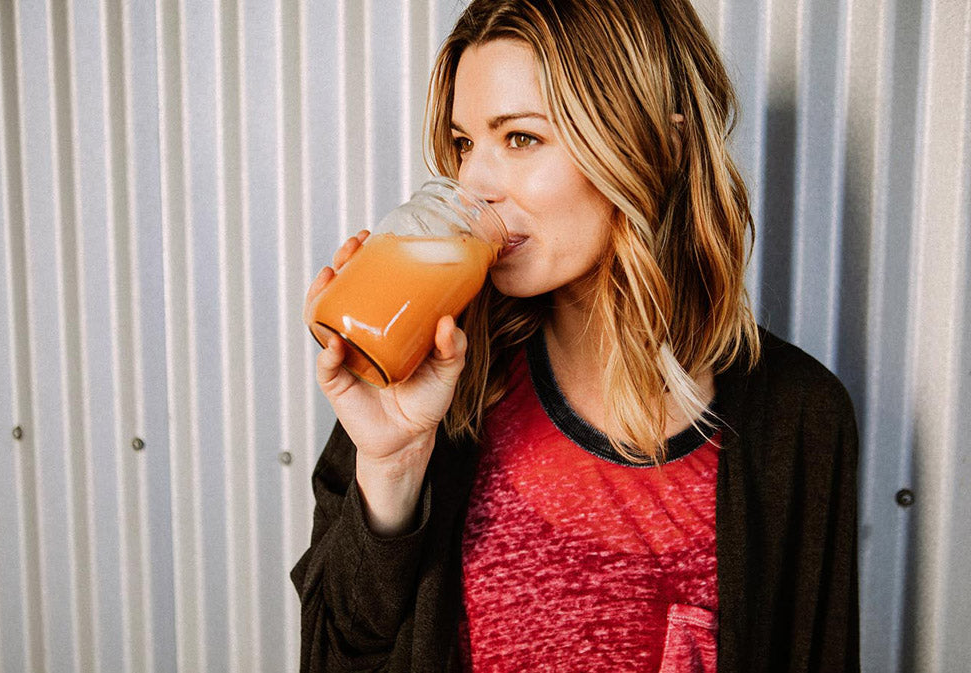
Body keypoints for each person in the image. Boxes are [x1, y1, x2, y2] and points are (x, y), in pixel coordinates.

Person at [291, 0, 860, 671]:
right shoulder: (430, 390)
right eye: (466, 142)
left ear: (660, 142)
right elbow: (332, 654)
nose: (471, 181)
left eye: (521, 138)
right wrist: (390, 468)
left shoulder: (799, 420)